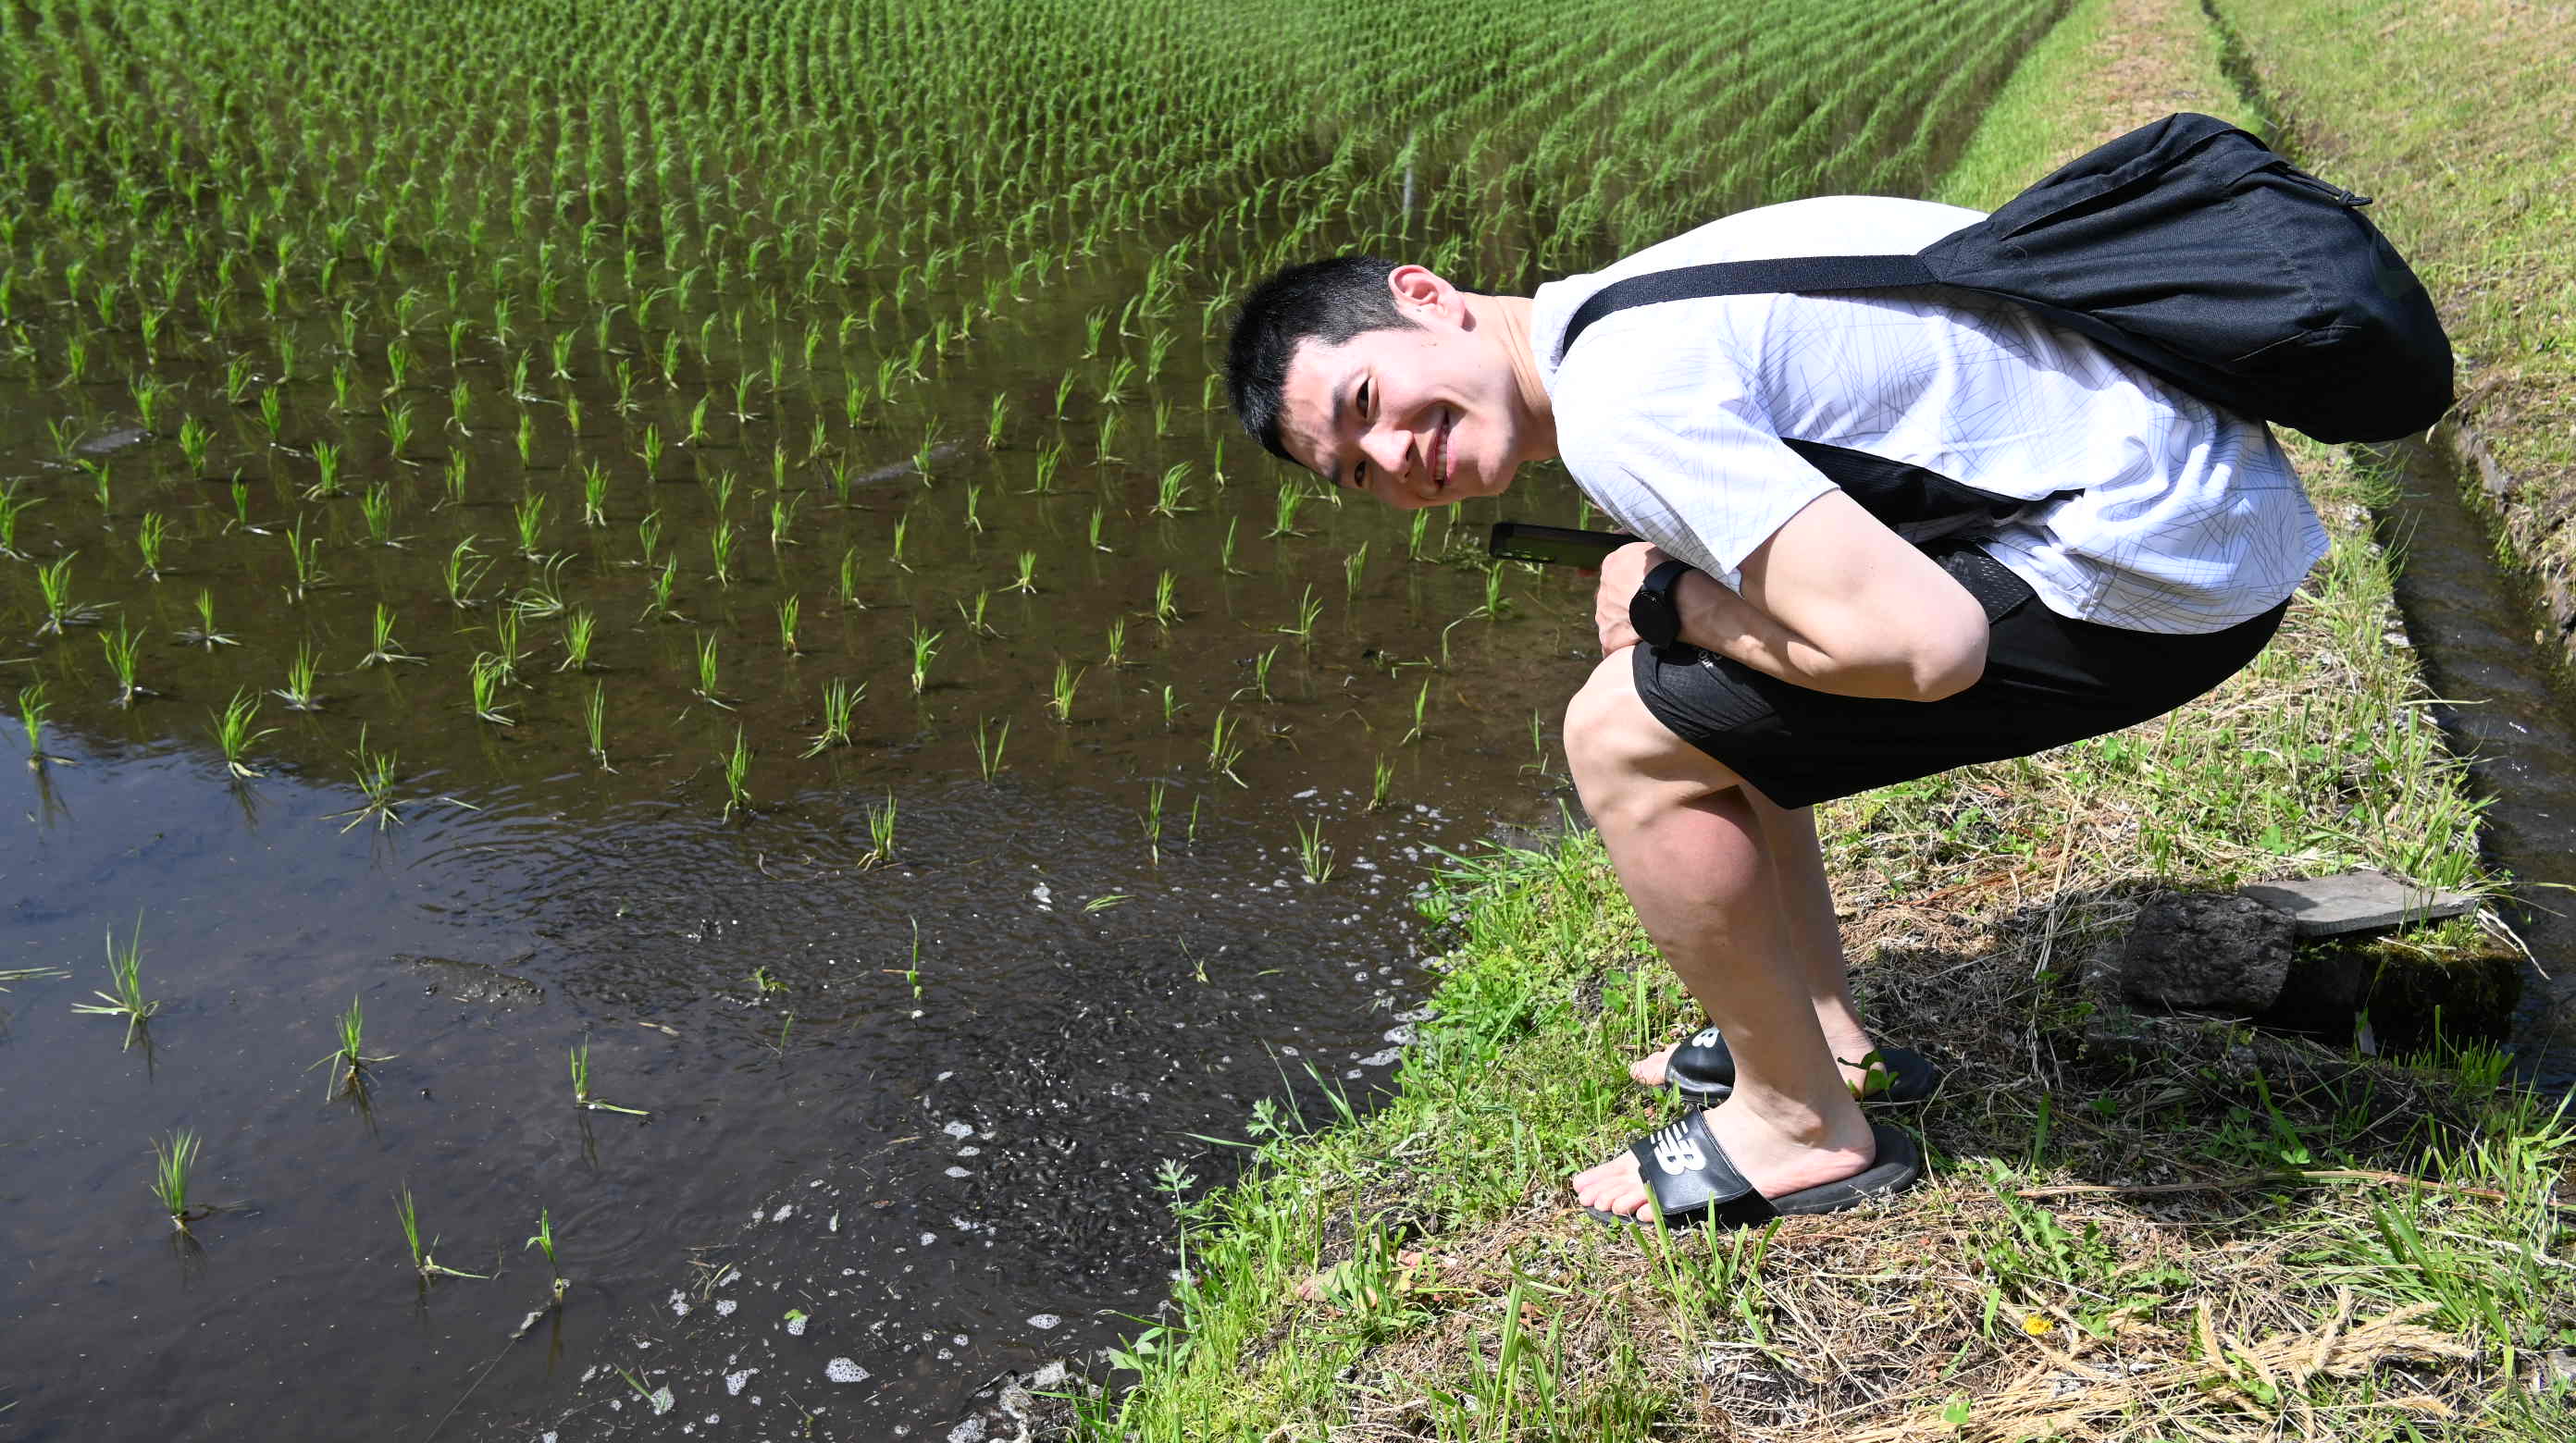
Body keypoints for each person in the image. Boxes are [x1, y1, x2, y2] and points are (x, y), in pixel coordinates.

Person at [1222, 193, 2325, 1228]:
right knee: (1697, 660)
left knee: (1621, 733)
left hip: (2170, 567)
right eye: (1355, 474)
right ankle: (1823, 1036)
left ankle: (1797, 1124)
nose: (1394, 460)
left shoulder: (1615, 404)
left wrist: (1674, 600)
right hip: (2203, 487)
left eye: (1366, 403)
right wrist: (1689, 601)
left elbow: (1927, 648)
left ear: (1424, 296)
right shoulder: (1629, 301)